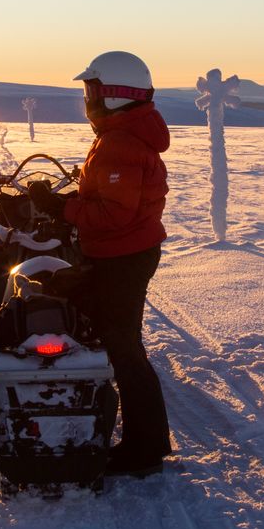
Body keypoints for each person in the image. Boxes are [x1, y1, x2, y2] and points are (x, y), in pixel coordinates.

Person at [28, 51, 173, 476]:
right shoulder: (120, 134)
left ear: (112, 94)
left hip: (122, 256)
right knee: (108, 334)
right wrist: (67, 201)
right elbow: (109, 199)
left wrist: (60, 208)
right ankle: (120, 429)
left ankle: (144, 449)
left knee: (124, 348)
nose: (87, 98)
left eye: (91, 90)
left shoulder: (121, 142)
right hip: (121, 252)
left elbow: (113, 214)